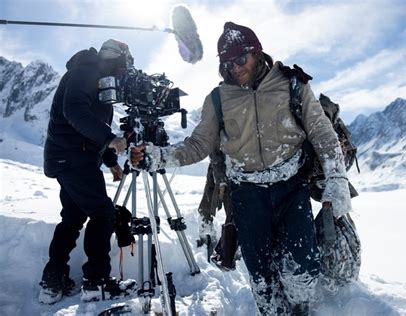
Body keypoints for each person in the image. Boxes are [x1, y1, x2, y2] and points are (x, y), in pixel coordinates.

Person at [131, 22, 353, 314]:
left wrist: (336, 176)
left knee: (303, 266)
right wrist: (161, 156)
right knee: (260, 274)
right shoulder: (218, 99)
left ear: (256, 52)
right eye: (227, 62)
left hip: (290, 188)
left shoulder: (292, 84)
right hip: (247, 196)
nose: (235, 68)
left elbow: (322, 133)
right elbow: (198, 144)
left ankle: (300, 307)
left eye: (240, 59)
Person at [39, 39, 137, 304]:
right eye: (125, 66)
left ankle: (52, 282)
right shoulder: (87, 71)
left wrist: (109, 160)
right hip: (73, 157)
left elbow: (88, 129)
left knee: (72, 218)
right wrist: (109, 138)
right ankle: (97, 282)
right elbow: (74, 111)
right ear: (116, 58)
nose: (123, 73)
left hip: (69, 157)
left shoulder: (98, 80)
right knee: (102, 213)